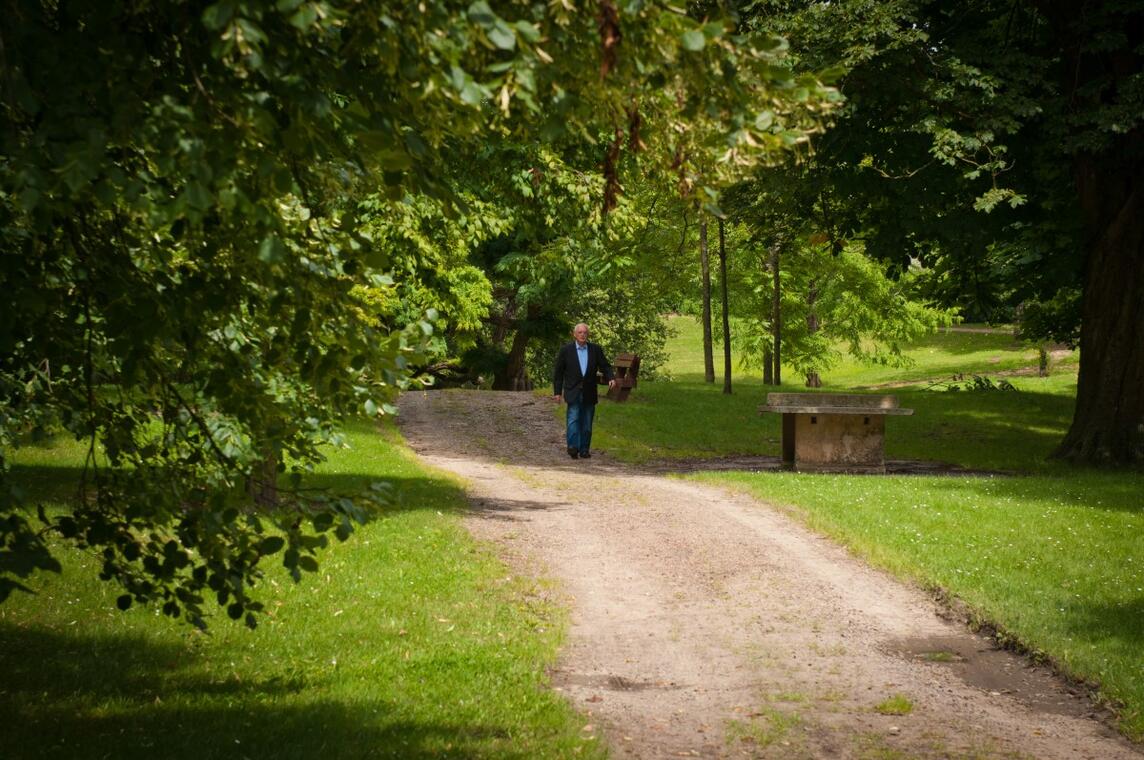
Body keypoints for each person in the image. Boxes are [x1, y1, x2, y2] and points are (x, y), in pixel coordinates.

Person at [553, 323, 616, 459]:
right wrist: (557, 392)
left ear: (588, 335)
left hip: (589, 391)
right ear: (574, 335)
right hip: (573, 391)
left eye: (585, 332)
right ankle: (573, 447)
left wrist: (611, 378)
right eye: (580, 332)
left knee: (587, 423)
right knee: (573, 420)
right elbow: (558, 373)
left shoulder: (595, 350)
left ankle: (584, 449)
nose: (582, 335)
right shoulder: (566, 350)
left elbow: (605, 366)